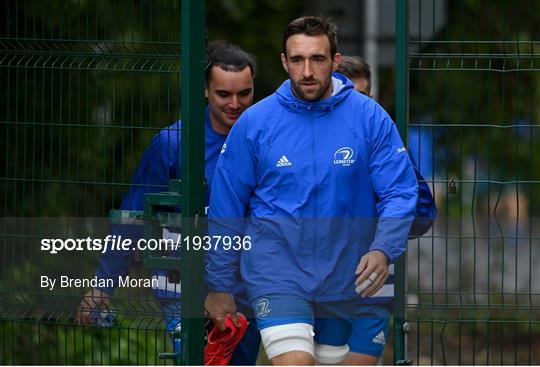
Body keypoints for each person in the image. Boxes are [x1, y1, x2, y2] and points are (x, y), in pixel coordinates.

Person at [205, 16, 418, 365]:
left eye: (317, 59)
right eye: (298, 59)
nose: (307, 70)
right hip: (277, 273)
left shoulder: (370, 118)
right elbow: (227, 206)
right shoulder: (256, 123)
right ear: (284, 62)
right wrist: (219, 284)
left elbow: (399, 191)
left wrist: (382, 249)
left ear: (335, 61)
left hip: (347, 276)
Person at [75, 40, 261, 365]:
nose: (235, 103)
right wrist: (103, 285)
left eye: (243, 94)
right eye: (223, 94)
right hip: (181, 282)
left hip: (246, 284)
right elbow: (132, 215)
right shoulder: (172, 144)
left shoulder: (265, 141)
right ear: (204, 91)